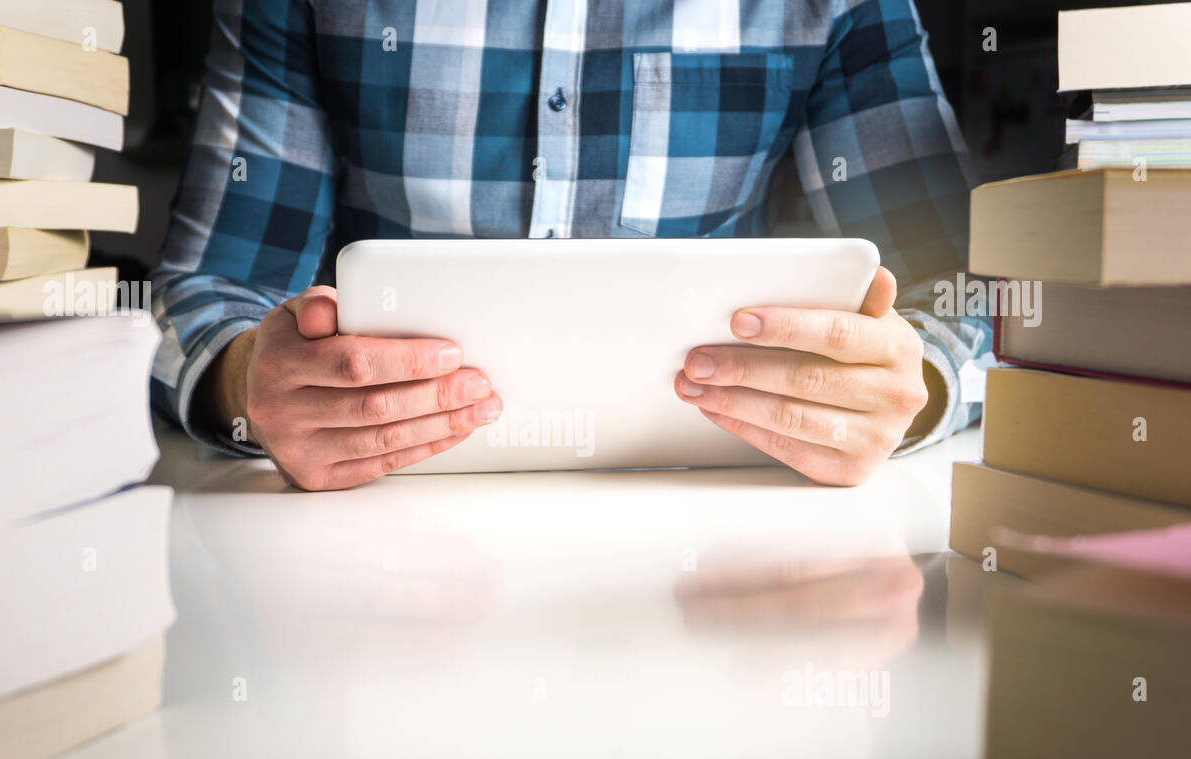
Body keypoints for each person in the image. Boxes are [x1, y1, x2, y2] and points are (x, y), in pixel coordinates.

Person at [152, 0, 988, 490]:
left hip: (727, 522)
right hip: (379, 528)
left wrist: (909, 388)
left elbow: (966, 288)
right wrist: (246, 393)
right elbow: (216, 284)